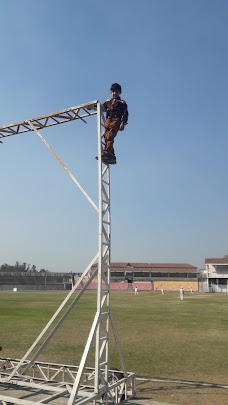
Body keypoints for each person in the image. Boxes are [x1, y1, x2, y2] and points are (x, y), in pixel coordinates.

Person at [101, 83, 128, 164]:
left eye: (116, 91)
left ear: (120, 92)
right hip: (108, 120)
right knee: (106, 137)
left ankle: (107, 153)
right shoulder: (108, 101)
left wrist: (123, 123)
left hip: (116, 120)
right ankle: (112, 156)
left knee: (110, 136)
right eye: (112, 91)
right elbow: (102, 107)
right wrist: (93, 107)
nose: (114, 93)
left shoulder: (122, 102)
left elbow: (125, 113)